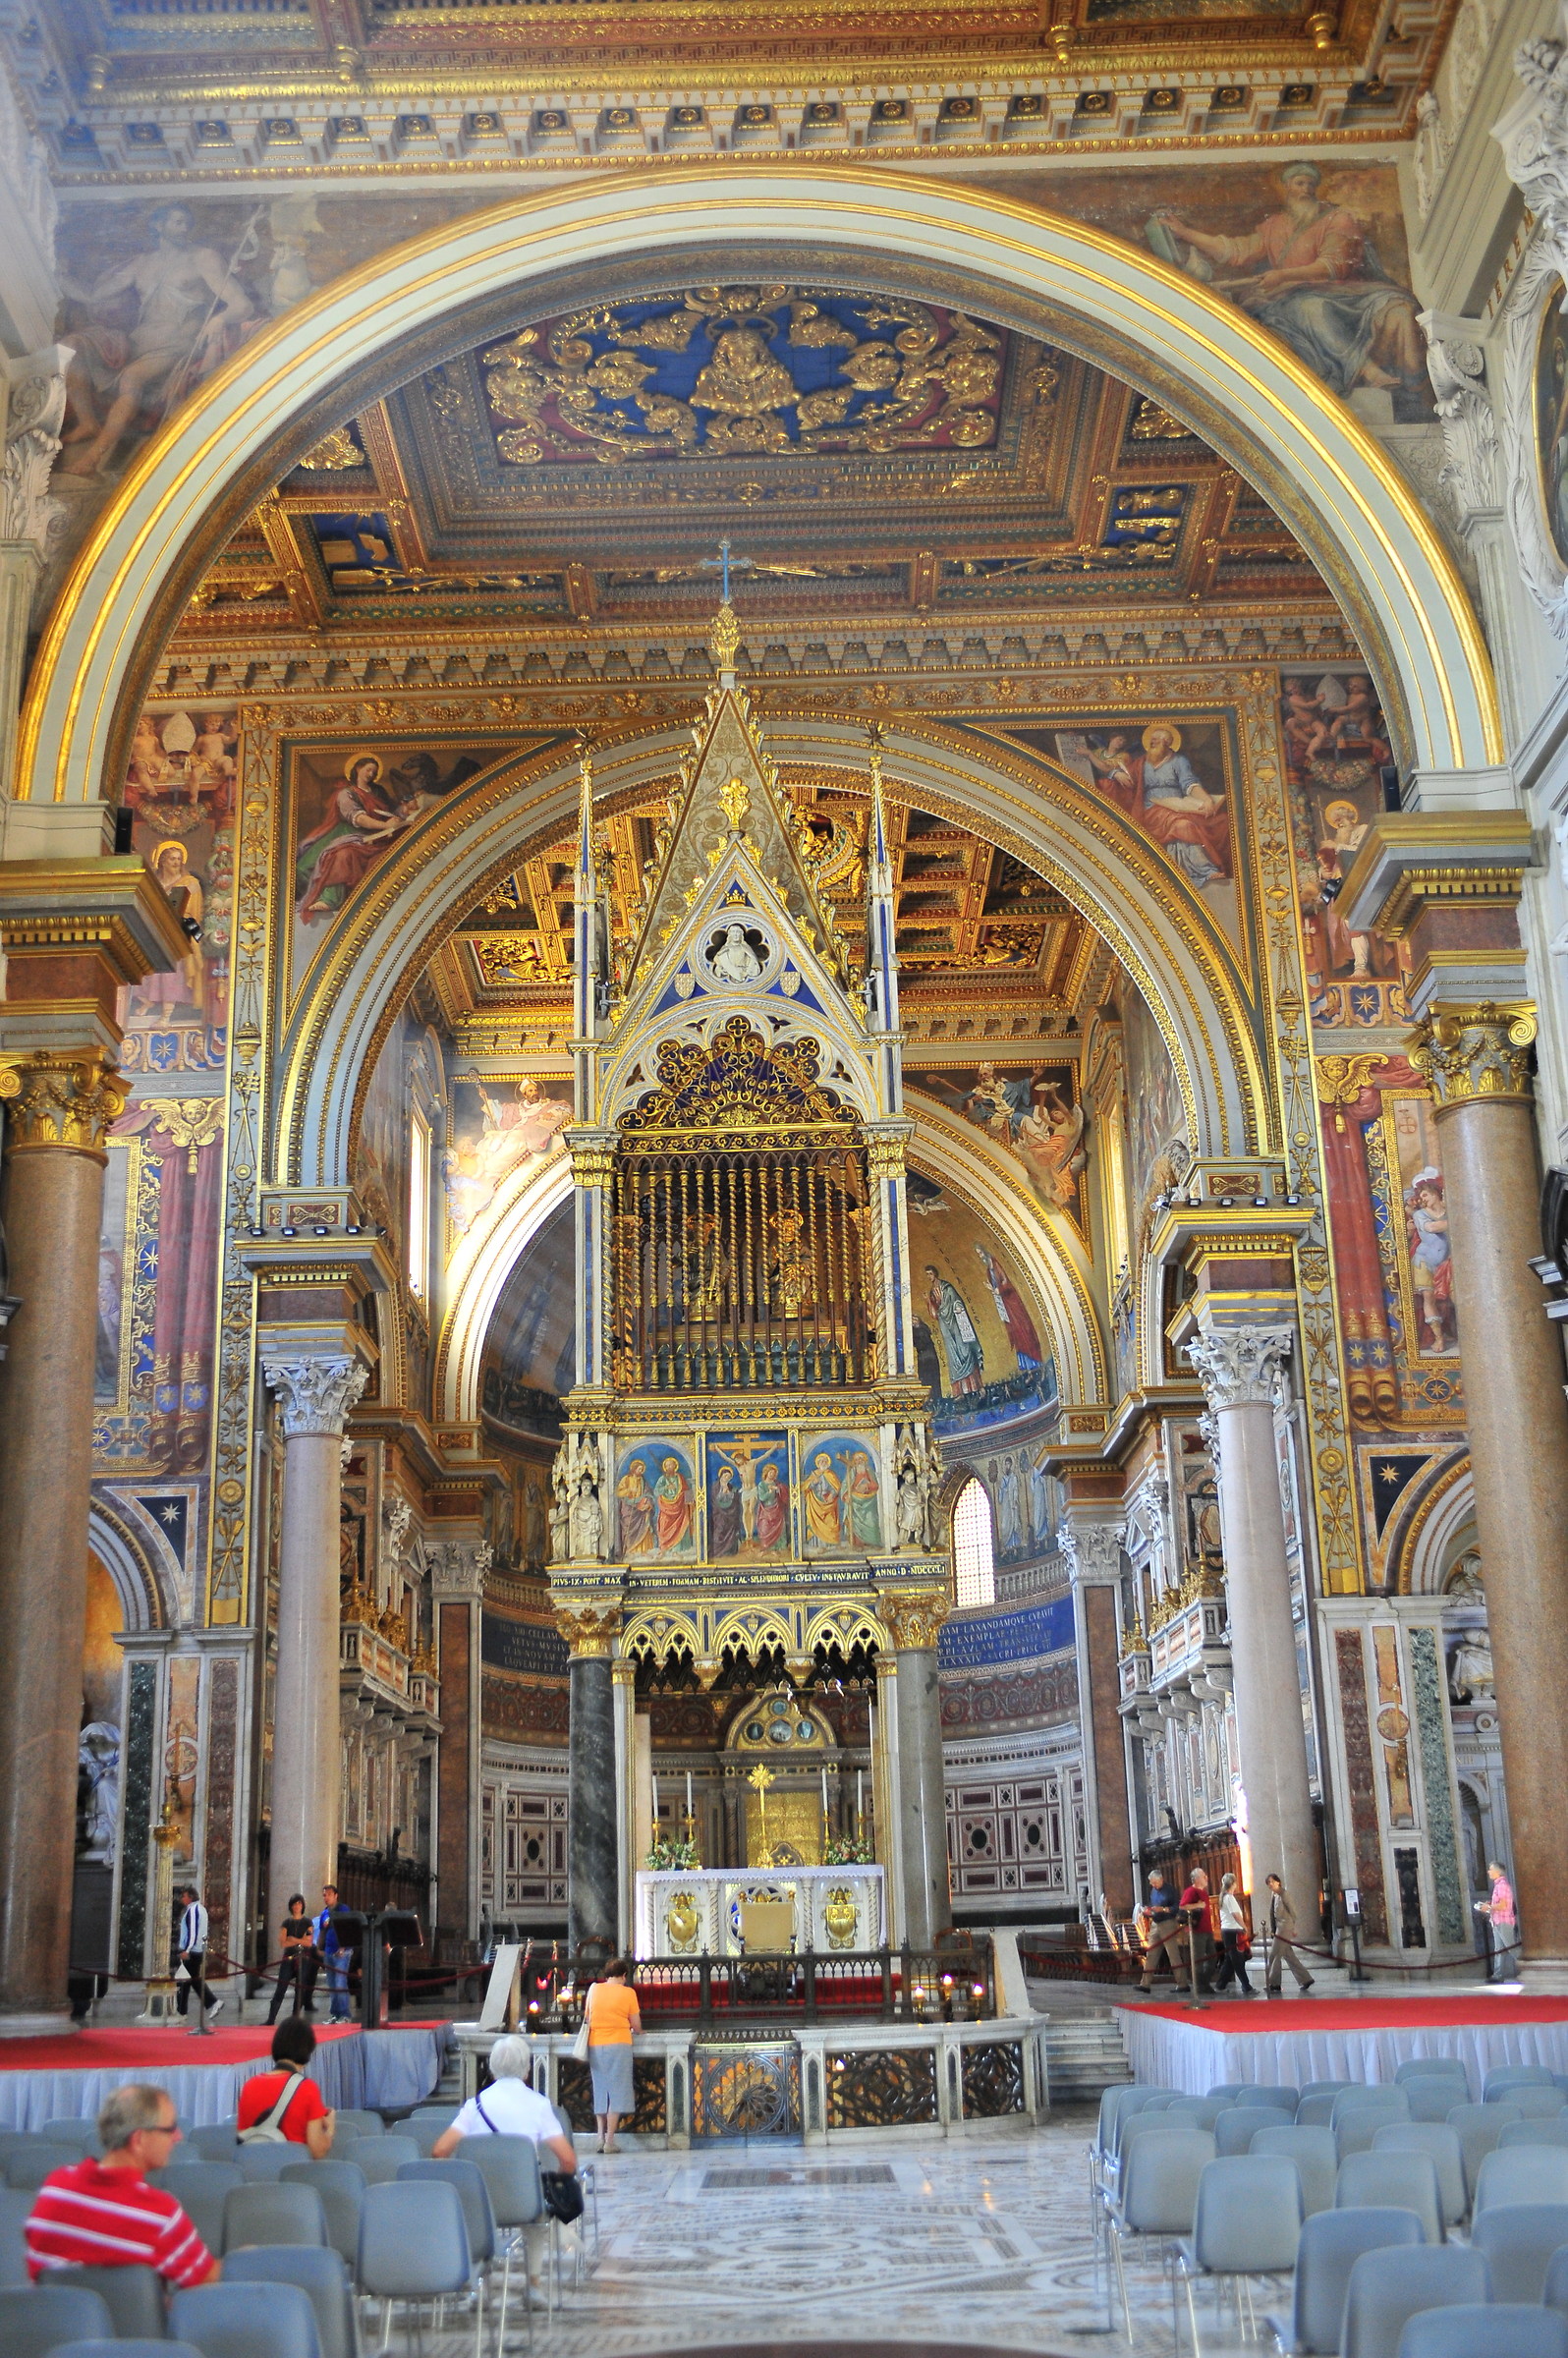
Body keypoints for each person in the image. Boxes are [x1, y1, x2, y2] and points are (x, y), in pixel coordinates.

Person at [26, 2083, 221, 2285]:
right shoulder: (160, 2215)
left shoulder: (54, 2188)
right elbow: (206, 2280)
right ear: (139, 2140)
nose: (178, 2136)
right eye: (170, 2128)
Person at [433, 2033, 578, 2288]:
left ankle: (480, 2281)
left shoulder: (474, 2105)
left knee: (474, 2215)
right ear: (526, 2069)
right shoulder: (538, 2105)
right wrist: (559, 2181)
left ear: (492, 2067)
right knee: (537, 2217)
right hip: (523, 2200)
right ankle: (533, 2284)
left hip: (479, 2199)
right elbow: (567, 2159)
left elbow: (440, 2151)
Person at [237, 2015, 336, 2155]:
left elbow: (243, 2138)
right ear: (307, 2049)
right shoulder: (308, 2088)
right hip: (294, 2172)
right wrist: (330, 2129)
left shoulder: (249, 2086)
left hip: (255, 2172)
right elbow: (317, 2151)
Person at [582, 1957, 641, 2154]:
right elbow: (636, 2025)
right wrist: (640, 2031)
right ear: (624, 1975)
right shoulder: (628, 1993)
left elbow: (587, 2017)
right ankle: (609, 2141)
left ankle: (599, 2137)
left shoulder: (593, 1989)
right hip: (619, 2044)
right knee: (617, 2091)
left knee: (601, 2089)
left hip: (596, 2044)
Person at [177, 1884, 223, 2027]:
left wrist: (187, 1950)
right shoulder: (201, 1909)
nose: (182, 1899)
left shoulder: (193, 1910)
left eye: (183, 1896)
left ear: (190, 1896)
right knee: (188, 1981)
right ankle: (182, 2011)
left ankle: (212, 2002)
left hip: (193, 1951)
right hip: (197, 1950)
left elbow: (193, 1932)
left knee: (189, 1981)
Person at [1138, 1869, 1190, 1993]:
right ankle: (1145, 1984)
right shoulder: (1153, 1891)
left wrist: (1164, 1909)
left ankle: (1182, 1984)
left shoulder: (1170, 1890)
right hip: (1155, 1923)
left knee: (1173, 1954)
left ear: (1161, 1879)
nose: (1153, 1885)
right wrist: (1149, 1912)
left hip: (1168, 1923)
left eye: (1155, 1882)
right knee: (1151, 1954)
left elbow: (1176, 1907)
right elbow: (1153, 1905)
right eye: (1151, 1883)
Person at [1262, 1872, 1316, 1994]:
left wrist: (1294, 1928)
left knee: (1274, 1954)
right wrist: (1273, 1929)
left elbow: (1293, 1911)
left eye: (1272, 1881)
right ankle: (1305, 1979)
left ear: (1278, 1881)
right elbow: (1272, 1914)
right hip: (1279, 1928)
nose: (1270, 1884)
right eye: (1268, 1883)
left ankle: (1274, 1983)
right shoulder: (1274, 1895)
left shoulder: (1284, 1894)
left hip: (1285, 1927)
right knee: (1288, 1955)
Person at [267, 1893, 315, 2023]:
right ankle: (271, 2018)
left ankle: (295, 2018)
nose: (297, 1906)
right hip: (288, 1957)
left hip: (303, 1958)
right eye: (294, 1904)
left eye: (299, 1903)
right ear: (291, 1906)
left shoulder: (308, 1922)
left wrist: (293, 1939)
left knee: (300, 1988)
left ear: (303, 1905)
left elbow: (308, 1942)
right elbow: (283, 1943)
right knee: (281, 1987)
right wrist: (300, 1940)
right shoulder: (286, 1923)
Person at [1211, 1873, 1256, 1996]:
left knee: (1230, 1960)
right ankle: (1246, 1986)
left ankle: (1221, 1985)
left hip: (1227, 1930)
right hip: (1232, 1931)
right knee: (1237, 1959)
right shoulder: (1229, 1898)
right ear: (1233, 1884)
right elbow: (1236, 1915)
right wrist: (1244, 1926)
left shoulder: (1224, 1897)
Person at [314, 1883, 353, 2021]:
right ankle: (335, 2014)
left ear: (336, 1895)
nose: (326, 1898)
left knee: (340, 1982)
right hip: (329, 1952)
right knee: (331, 1984)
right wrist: (319, 1948)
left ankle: (345, 2014)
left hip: (342, 1952)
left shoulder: (343, 1909)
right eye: (324, 1895)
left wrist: (343, 1947)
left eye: (329, 1894)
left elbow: (349, 1929)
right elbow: (323, 1932)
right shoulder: (324, 1913)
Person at [1477, 1860, 1518, 1982]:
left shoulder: (1502, 1885)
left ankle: (1529, 1968)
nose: (1488, 1871)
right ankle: (1498, 1975)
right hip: (1497, 1921)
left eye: (1490, 1869)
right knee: (1499, 1950)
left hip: (1503, 1922)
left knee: (1512, 1948)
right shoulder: (1498, 1885)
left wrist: (1488, 1907)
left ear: (1497, 1871)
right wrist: (1490, 1905)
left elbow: (1504, 1905)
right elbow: (1499, 1903)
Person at [1179, 1868, 1215, 1993]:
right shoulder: (1190, 1891)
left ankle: (1204, 1983)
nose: (1206, 1878)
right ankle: (1199, 1986)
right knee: (1198, 1960)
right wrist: (1198, 1905)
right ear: (1196, 1879)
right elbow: (1183, 1907)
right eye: (1203, 1876)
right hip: (1196, 1930)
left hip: (1208, 1929)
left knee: (1212, 1958)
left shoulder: (1204, 1892)